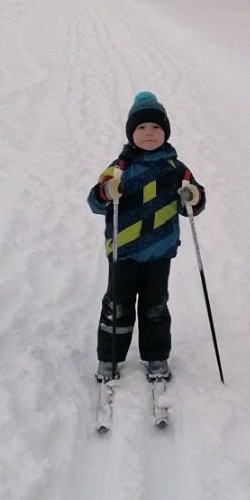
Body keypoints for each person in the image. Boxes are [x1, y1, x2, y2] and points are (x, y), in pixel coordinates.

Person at [88, 90, 205, 385]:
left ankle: (156, 356)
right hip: (124, 252)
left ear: (165, 132)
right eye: (141, 127)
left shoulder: (176, 169)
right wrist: (106, 192)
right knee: (118, 306)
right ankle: (110, 357)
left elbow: (194, 202)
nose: (149, 133)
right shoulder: (119, 168)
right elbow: (94, 201)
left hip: (159, 252)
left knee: (156, 306)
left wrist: (192, 196)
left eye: (155, 127)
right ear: (131, 133)